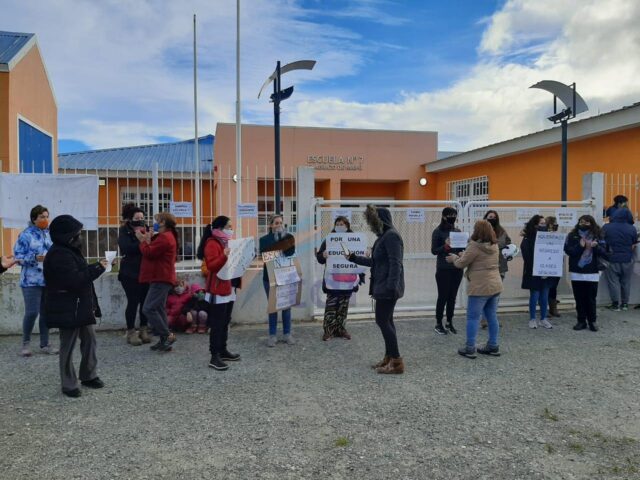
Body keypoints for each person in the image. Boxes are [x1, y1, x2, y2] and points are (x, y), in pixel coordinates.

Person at [42, 215, 108, 398]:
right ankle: (69, 383)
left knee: (90, 340)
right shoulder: (59, 254)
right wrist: (97, 268)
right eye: (77, 233)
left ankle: (88, 375)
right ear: (67, 235)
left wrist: (95, 268)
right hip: (68, 307)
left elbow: (78, 275)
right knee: (68, 345)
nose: (80, 237)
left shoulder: (69, 250)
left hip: (79, 306)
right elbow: (74, 280)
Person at [348, 205, 405, 374]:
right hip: (383, 285)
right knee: (387, 321)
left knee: (382, 321)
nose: (372, 226)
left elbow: (396, 263)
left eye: (374, 222)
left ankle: (396, 362)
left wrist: (391, 287)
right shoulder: (384, 236)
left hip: (387, 288)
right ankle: (389, 357)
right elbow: (376, 262)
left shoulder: (391, 237)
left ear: (382, 220)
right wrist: (354, 258)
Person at [446, 220, 503, 359]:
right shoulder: (494, 245)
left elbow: (461, 264)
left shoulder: (474, 246)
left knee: (472, 317)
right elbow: (477, 259)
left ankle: (470, 347)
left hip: (480, 287)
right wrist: (463, 255)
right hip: (495, 284)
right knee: (492, 316)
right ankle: (493, 345)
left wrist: (454, 258)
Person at [13, 205, 56, 357]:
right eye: (42, 217)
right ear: (34, 219)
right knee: (32, 312)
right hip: (31, 280)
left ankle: (45, 344)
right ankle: (25, 344)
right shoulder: (26, 235)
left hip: (48, 279)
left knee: (46, 313)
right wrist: (34, 258)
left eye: (46, 216)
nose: (45, 219)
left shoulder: (50, 234)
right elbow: (17, 257)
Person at [316, 216, 364, 341]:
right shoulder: (329, 240)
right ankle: (328, 331)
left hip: (348, 279)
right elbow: (320, 258)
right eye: (337, 224)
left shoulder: (354, 239)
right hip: (333, 280)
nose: (340, 226)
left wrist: (366, 253)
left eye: (342, 224)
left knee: (343, 306)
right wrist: (323, 255)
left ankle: (341, 329)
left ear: (347, 226)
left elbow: (360, 256)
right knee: (331, 305)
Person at [203, 216, 241, 370]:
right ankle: (214, 356)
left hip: (230, 286)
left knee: (225, 321)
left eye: (231, 226)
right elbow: (211, 266)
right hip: (218, 289)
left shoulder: (228, 242)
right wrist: (224, 255)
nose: (231, 229)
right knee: (217, 324)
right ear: (220, 228)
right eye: (228, 226)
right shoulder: (212, 243)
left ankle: (223, 350)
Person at [138, 212, 178, 352]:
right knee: (159, 308)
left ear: (163, 223)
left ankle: (167, 335)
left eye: (157, 221)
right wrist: (147, 239)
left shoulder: (165, 238)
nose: (155, 223)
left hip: (161, 277)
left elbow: (149, 253)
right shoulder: (166, 236)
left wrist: (142, 241)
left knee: (148, 308)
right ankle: (163, 339)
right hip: (161, 276)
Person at [564, 215, 607, 332]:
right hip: (577, 271)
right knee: (579, 298)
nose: (583, 224)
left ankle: (592, 321)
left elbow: (606, 252)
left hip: (592, 272)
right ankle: (581, 321)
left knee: (591, 298)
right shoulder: (572, 235)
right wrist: (580, 246)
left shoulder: (598, 235)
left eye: (586, 222)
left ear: (591, 223)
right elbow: (568, 251)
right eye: (581, 222)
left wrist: (596, 247)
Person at [259, 214, 296, 347]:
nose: (279, 225)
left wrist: (282, 239)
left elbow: (290, 253)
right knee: (273, 307)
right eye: (276, 223)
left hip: (285, 276)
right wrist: (278, 244)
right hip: (269, 277)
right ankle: (272, 335)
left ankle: (287, 333)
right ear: (271, 225)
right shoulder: (264, 239)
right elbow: (265, 255)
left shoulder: (289, 237)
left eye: (281, 223)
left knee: (286, 306)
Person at [117, 203, 151, 346]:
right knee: (133, 302)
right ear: (130, 219)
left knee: (145, 303)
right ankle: (131, 332)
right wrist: (141, 242)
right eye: (137, 217)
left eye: (142, 217)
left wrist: (146, 240)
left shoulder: (146, 229)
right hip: (129, 273)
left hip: (146, 271)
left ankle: (143, 329)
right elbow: (126, 248)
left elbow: (151, 246)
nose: (140, 220)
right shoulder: (124, 231)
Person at [431, 207, 465, 335]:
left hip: (456, 268)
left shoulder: (457, 231)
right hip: (443, 269)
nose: (452, 217)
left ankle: (449, 322)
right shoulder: (437, 232)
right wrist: (445, 246)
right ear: (444, 216)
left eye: (454, 215)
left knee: (452, 297)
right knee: (443, 297)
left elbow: (462, 248)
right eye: (450, 215)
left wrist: (463, 250)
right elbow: (434, 250)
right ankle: (438, 323)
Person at [521, 215, 554, 329]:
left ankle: (543, 318)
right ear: (535, 225)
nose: (543, 226)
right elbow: (526, 255)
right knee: (534, 295)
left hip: (546, 270)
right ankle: (532, 318)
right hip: (534, 271)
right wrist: (537, 267)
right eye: (541, 223)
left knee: (545, 296)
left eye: (545, 223)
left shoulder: (549, 237)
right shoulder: (528, 238)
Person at [602, 208, 638, 311]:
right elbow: (634, 243)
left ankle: (615, 304)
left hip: (611, 258)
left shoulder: (607, 227)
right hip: (627, 259)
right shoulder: (632, 228)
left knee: (613, 282)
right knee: (626, 282)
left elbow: (602, 241)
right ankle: (625, 304)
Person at [481, 210, 511, 328]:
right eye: (490, 217)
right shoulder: (481, 231)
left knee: (496, 295)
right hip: (486, 267)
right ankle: (484, 319)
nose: (492, 219)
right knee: (485, 294)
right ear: (486, 218)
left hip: (500, 266)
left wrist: (509, 249)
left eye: (494, 217)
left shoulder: (501, 230)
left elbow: (508, 242)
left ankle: (492, 319)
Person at [545, 216, 562, 318]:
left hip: (556, 263)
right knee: (544, 287)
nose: (554, 226)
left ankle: (553, 308)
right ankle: (545, 308)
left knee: (553, 287)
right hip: (545, 264)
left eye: (555, 224)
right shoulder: (541, 235)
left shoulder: (558, 235)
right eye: (552, 224)